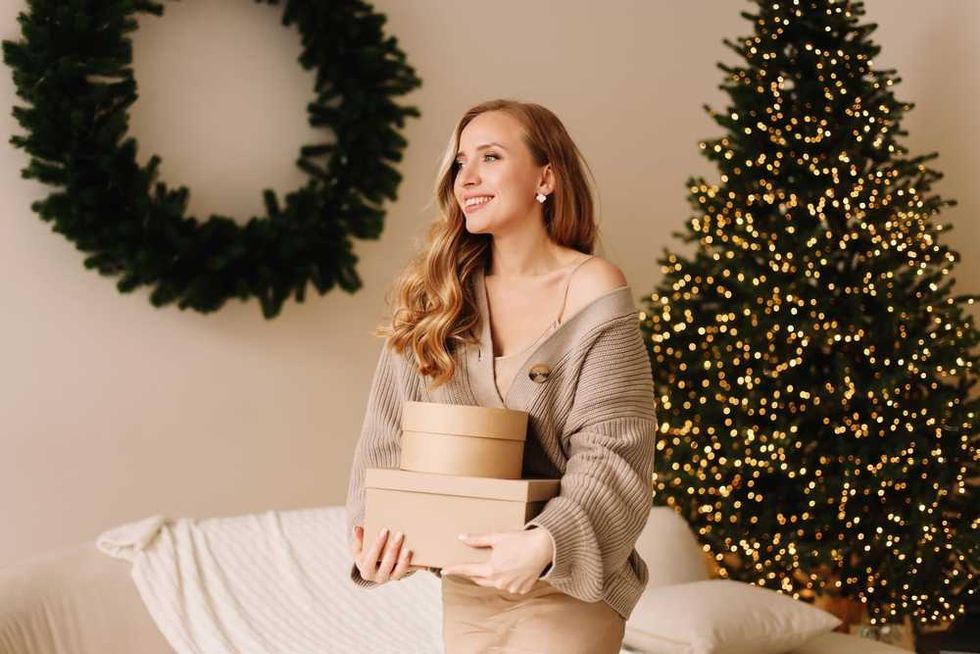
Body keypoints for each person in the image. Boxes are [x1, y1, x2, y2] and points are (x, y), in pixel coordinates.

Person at [345, 98, 658, 653]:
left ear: (546, 175)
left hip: (566, 584)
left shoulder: (592, 289)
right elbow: (388, 432)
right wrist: (375, 535)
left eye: (490, 157)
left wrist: (545, 543)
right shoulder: (435, 297)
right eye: (460, 163)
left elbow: (614, 449)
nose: (467, 178)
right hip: (468, 587)